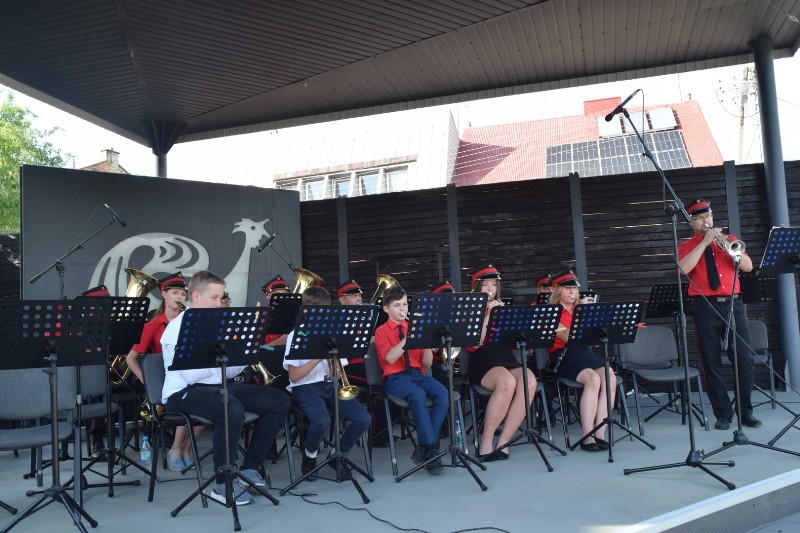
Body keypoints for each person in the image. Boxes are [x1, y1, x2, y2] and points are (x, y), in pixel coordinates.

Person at [161, 270, 291, 505]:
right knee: (230, 408)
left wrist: (244, 353)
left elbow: (227, 373)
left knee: (278, 400)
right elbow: (190, 376)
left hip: (216, 387)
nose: (219, 303)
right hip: (181, 393)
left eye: (221, 297)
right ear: (196, 296)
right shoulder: (177, 327)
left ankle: (250, 468)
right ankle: (223, 482)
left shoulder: (219, 324)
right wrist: (216, 354)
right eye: (214, 297)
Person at [677, 198, 760, 430]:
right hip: (705, 306)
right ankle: (723, 413)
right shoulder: (687, 246)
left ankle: (745, 411)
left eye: (708, 216)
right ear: (692, 223)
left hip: (733, 304)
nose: (706, 221)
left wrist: (729, 250)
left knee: (743, 359)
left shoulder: (729, 239)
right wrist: (704, 243)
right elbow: (682, 269)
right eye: (700, 218)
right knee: (710, 361)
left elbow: (748, 267)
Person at [283, 285, 372, 481]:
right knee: (322, 421)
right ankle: (310, 456)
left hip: (329, 385)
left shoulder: (334, 334)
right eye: (317, 310)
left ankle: (336, 455)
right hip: (305, 387)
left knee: (363, 418)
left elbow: (338, 375)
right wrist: (317, 358)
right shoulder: (296, 335)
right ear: (306, 310)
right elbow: (294, 377)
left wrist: (334, 365)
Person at [124, 272, 201, 471]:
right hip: (168, 381)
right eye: (175, 292)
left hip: (191, 376)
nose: (179, 297)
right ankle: (175, 450)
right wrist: (147, 382)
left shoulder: (191, 322)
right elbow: (130, 358)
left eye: (183, 294)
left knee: (213, 400)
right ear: (163, 294)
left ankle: (186, 449)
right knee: (190, 400)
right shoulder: (152, 325)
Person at [464, 265, 537, 461]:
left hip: (505, 358)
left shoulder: (504, 307)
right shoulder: (469, 310)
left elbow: (512, 344)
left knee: (529, 382)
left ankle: (504, 441)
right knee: (507, 383)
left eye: (493, 284)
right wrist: (490, 316)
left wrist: (510, 322)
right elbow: (474, 344)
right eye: (485, 284)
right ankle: (486, 441)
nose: (490, 288)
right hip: (483, 360)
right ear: (477, 287)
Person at [374, 285, 447, 474]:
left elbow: (427, 364)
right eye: (397, 305)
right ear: (386, 309)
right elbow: (390, 358)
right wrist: (410, 336)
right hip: (396, 378)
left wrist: (427, 342)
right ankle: (431, 449)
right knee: (417, 394)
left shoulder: (413, 328)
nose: (402, 309)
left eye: (405, 304)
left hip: (417, 374)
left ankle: (426, 447)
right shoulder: (382, 331)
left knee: (443, 393)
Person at [547, 270, 614, 452]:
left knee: (609, 376)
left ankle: (600, 432)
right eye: (567, 288)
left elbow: (595, 339)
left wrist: (595, 318)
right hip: (563, 355)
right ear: (557, 291)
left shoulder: (580, 308)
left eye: (574, 288)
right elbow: (567, 338)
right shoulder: (552, 312)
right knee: (593, 380)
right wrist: (581, 314)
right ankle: (587, 435)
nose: (572, 292)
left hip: (584, 352)